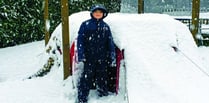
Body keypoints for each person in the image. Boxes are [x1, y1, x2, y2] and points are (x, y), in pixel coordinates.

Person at [76, 4, 116, 103]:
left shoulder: (105, 27)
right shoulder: (85, 25)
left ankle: (103, 96)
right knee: (87, 77)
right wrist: (81, 55)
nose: (98, 14)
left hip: (102, 57)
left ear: (103, 14)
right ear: (92, 13)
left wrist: (112, 55)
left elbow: (110, 42)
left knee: (102, 76)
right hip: (89, 56)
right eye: (96, 12)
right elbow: (80, 41)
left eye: (100, 12)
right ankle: (82, 97)